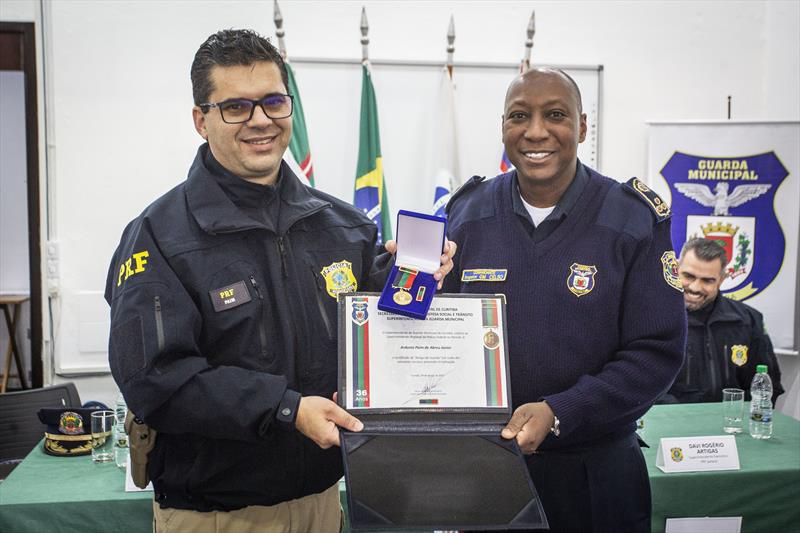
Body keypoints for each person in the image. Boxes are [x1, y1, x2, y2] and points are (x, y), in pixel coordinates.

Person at [105, 29, 454, 532]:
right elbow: (157, 383)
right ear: (201, 120)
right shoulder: (157, 237)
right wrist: (287, 409)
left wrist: (422, 276)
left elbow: (379, 331)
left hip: (322, 503)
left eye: (273, 102)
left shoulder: (343, 226)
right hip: (215, 516)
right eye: (236, 108)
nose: (260, 121)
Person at [443, 68, 686, 533]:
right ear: (503, 127)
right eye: (519, 116)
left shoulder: (633, 218)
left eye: (555, 115)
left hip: (595, 475)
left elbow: (656, 354)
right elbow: (438, 330)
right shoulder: (466, 213)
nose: (536, 131)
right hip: (488, 468)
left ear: (582, 127)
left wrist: (562, 411)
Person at [659, 237, 783, 404]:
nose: (695, 287)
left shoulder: (748, 320)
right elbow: (637, 385)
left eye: (707, 280)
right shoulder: (652, 318)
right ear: (676, 269)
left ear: (722, 279)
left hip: (730, 425)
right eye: (688, 276)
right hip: (668, 424)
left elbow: (767, 387)